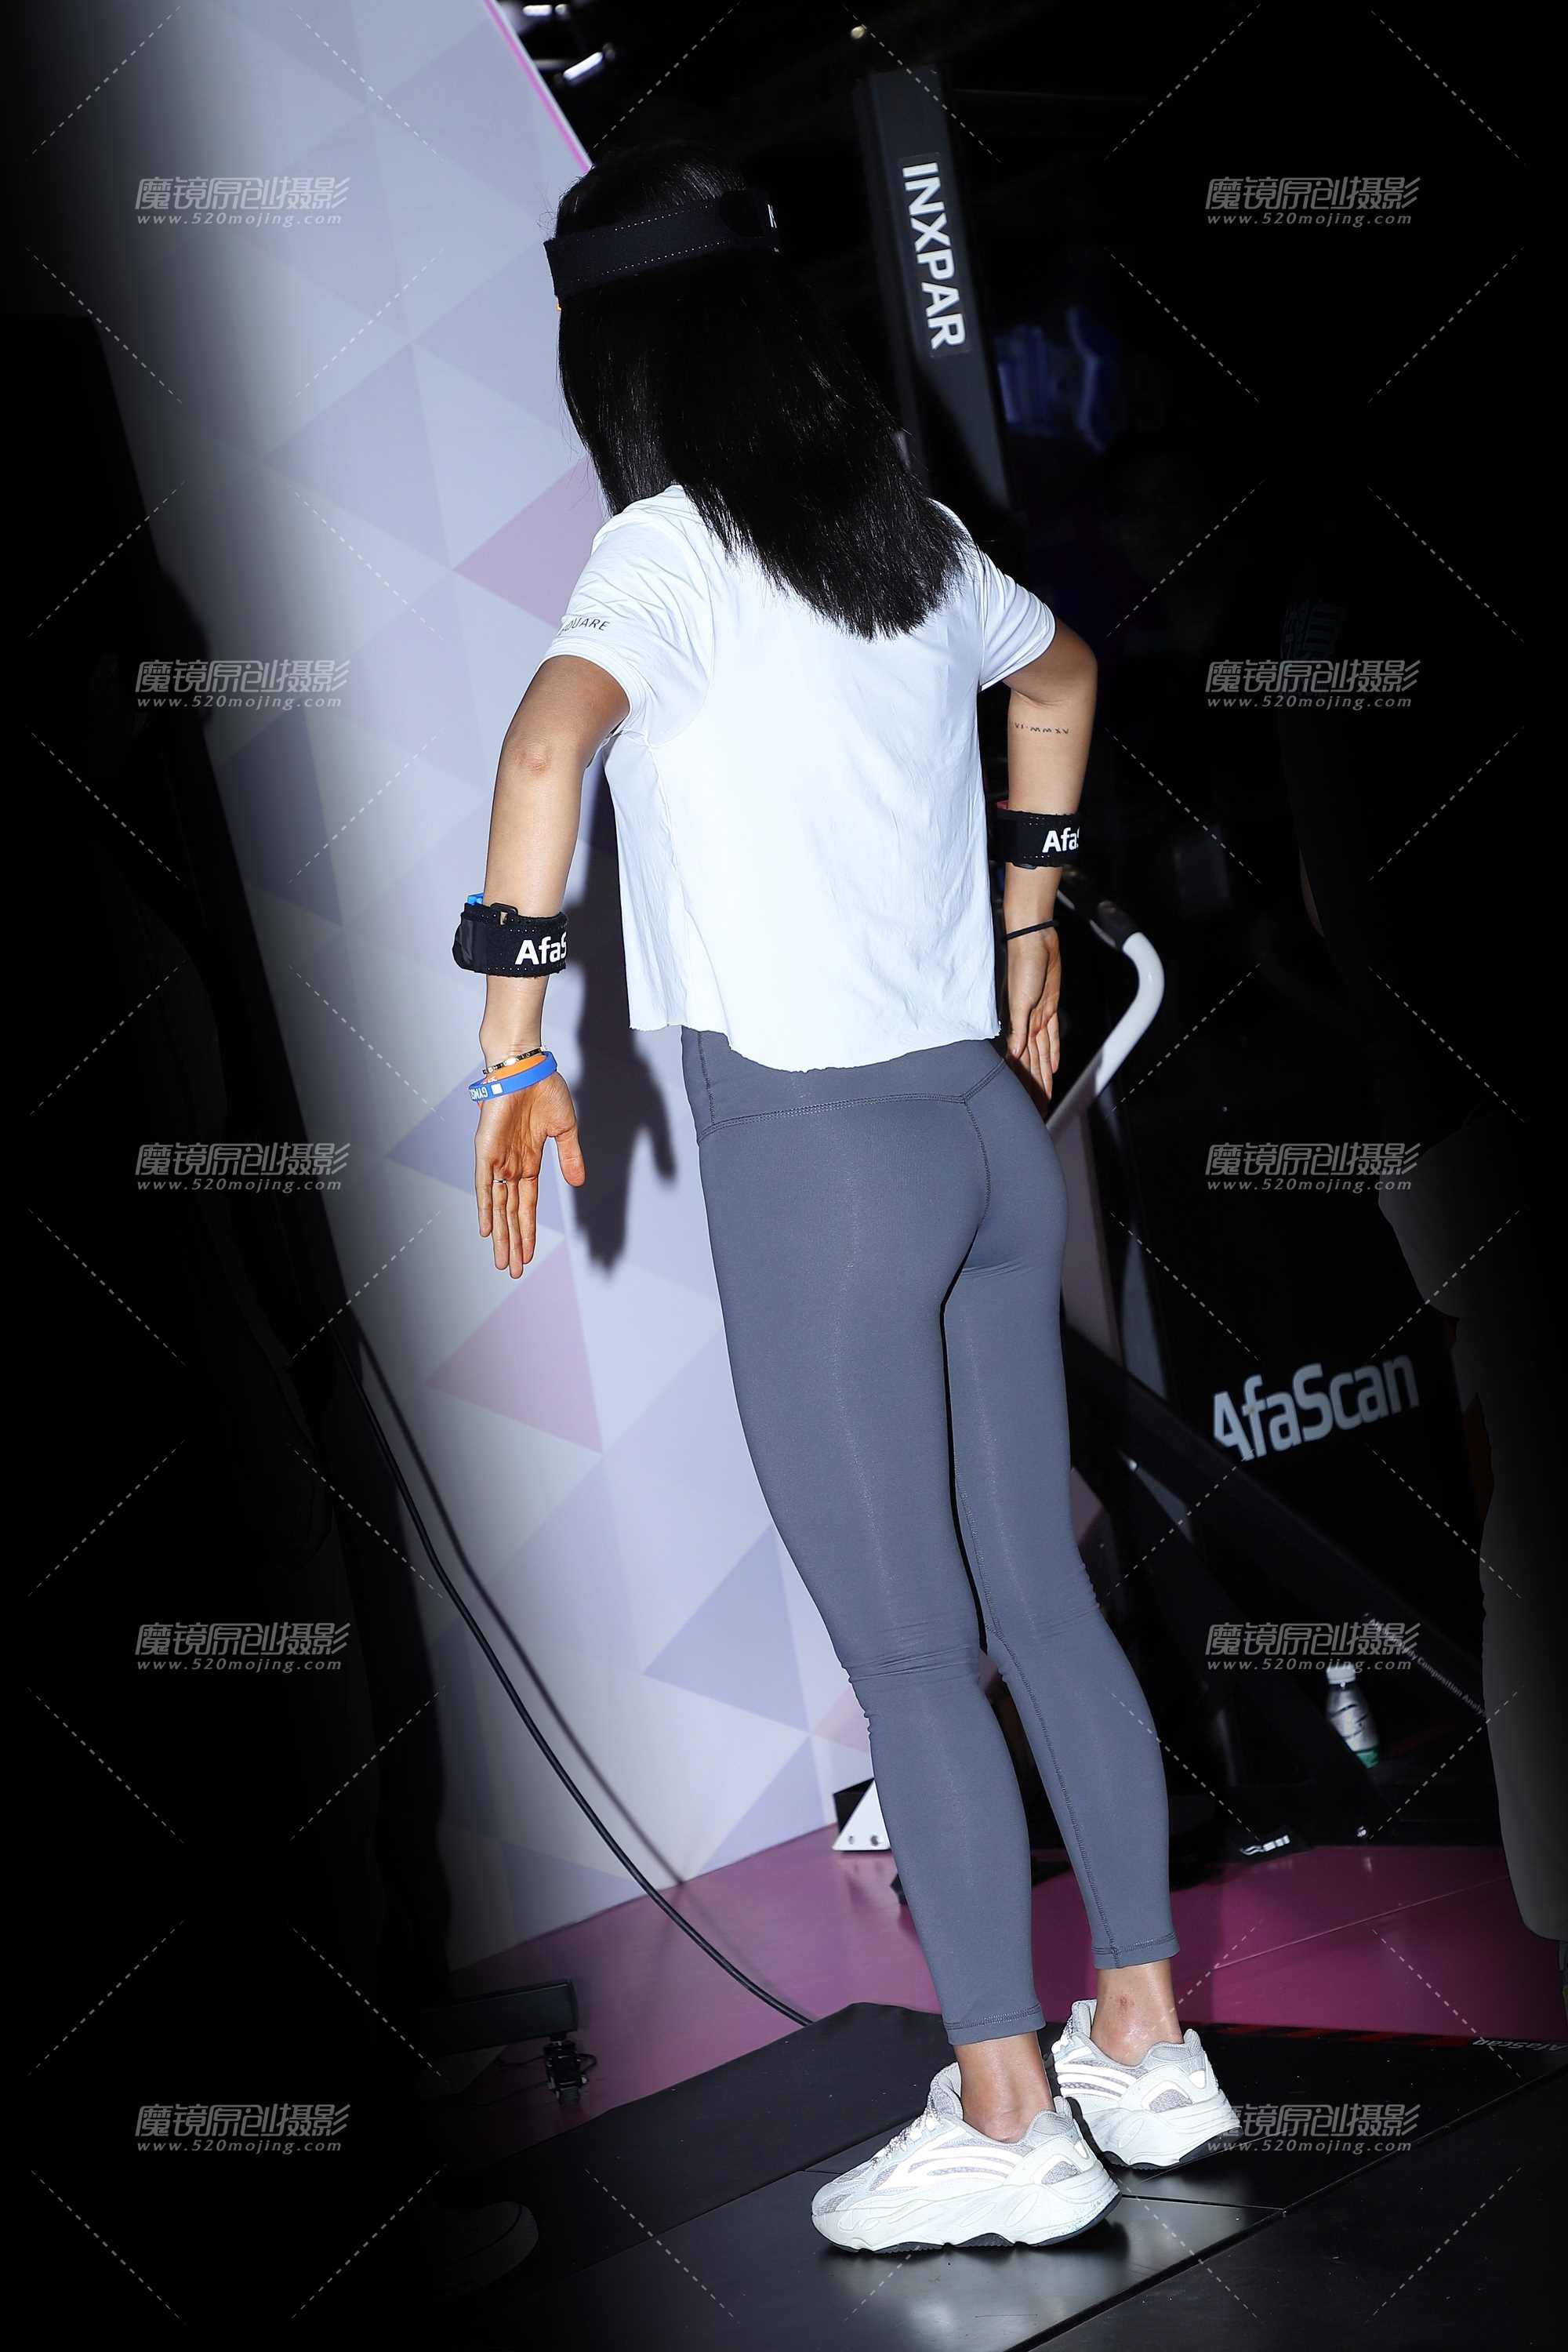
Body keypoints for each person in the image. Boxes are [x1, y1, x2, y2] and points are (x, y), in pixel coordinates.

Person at [458, 140, 1239, 2252]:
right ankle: (1146, 2041)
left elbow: (542, 753)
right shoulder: (895, 530)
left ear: (612, 364)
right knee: (1041, 1601)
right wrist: (1034, 921)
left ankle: (1007, 2112)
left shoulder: (662, 554)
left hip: (822, 1168)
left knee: (911, 1656)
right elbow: (1059, 679)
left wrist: (516, 1051)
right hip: (986, 1136)